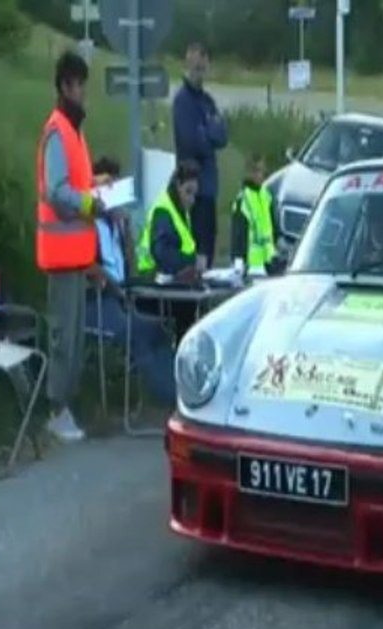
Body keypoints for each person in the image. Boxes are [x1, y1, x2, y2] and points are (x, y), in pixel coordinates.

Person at [36, 50, 105, 443]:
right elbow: (57, 191)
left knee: (74, 336)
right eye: (80, 86)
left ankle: (65, 405)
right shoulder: (58, 131)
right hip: (62, 256)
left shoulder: (73, 130)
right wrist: (89, 202)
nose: (84, 94)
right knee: (64, 336)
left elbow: (75, 185)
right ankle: (56, 409)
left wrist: (97, 184)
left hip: (76, 255)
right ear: (66, 86)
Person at [87, 157, 177, 406]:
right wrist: (116, 291)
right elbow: (89, 268)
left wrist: (125, 230)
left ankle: (173, 390)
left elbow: (131, 265)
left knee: (159, 326)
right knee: (134, 332)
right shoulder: (88, 224)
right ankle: (165, 397)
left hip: (123, 295)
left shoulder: (115, 223)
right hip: (100, 300)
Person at [172, 42, 227, 271]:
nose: (198, 73)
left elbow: (222, 136)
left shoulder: (207, 101)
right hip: (192, 189)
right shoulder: (182, 101)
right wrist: (207, 133)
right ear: (187, 66)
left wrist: (206, 132)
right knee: (196, 253)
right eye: (194, 67)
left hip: (209, 187)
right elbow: (190, 142)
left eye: (202, 68)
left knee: (209, 247)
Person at [136, 160, 203, 340]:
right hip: (151, 284)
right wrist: (190, 262)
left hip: (168, 283)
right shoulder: (164, 211)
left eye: (194, 195)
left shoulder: (179, 211)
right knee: (188, 308)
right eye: (188, 192)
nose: (191, 199)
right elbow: (162, 253)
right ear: (177, 186)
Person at [230, 154, 282, 276]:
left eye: (262, 170)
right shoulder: (243, 200)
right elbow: (237, 234)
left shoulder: (266, 196)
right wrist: (238, 261)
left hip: (270, 263)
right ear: (250, 173)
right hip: (251, 267)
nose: (261, 175)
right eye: (257, 171)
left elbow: (273, 227)